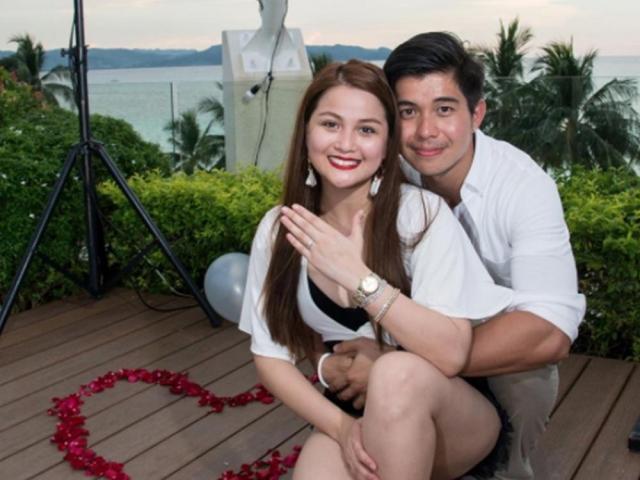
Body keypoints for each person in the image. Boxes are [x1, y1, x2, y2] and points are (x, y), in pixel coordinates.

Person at [319, 33, 586, 479]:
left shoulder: (523, 187)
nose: (426, 131)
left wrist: (394, 361)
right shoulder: (381, 172)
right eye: (408, 112)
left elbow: (549, 332)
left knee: (524, 389)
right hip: (407, 332)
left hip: (497, 352)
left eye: (444, 109)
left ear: (476, 113)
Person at [238, 59, 517, 479]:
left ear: (387, 145)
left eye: (367, 130)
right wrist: (341, 427)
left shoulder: (420, 215)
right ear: (306, 133)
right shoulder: (281, 229)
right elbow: (270, 357)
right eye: (330, 124)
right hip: (356, 413)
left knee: (395, 372)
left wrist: (358, 278)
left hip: (453, 417)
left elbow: (451, 353)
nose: (346, 144)